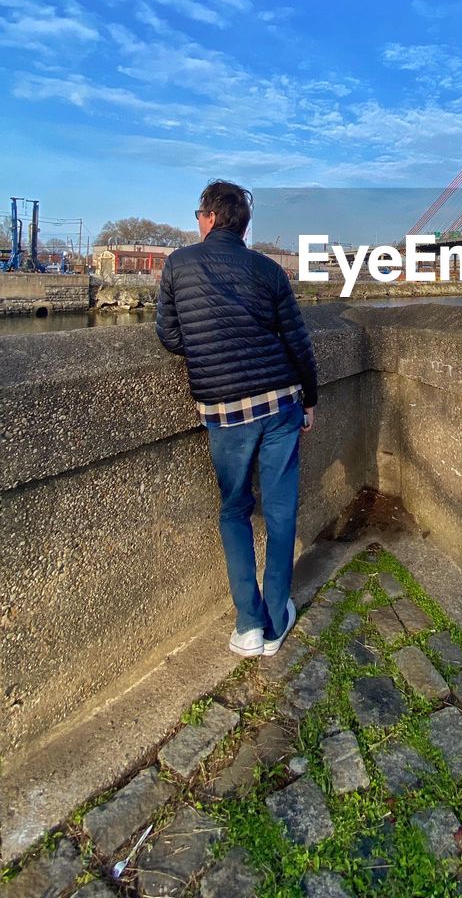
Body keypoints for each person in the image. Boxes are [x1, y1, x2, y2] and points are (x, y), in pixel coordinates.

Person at [156, 180, 318, 660]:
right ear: (243, 226)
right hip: (280, 404)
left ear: (208, 217)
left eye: (198, 214)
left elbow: (169, 335)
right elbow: (298, 342)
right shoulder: (268, 271)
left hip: (224, 410)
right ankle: (276, 617)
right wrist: (309, 398)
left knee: (234, 509)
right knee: (282, 509)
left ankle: (248, 624)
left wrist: (210, 351)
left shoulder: (177, 265)